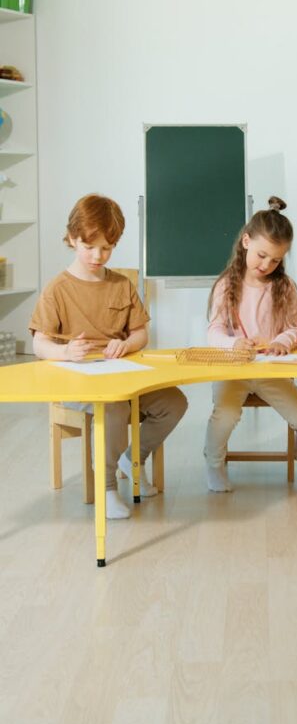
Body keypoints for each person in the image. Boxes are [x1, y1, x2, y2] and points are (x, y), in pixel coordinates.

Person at [30, 193, 188, 520]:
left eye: (107, 248)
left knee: (174, 402)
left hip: (122, 373)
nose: (98, 256)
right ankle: (106, 488)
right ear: (73, 239)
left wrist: (127, 344)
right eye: (90, 247)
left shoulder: (121, 285)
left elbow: (141, 333)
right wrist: (66, 352)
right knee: (114, 404)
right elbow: (39, 344)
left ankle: (133, 460)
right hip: (77, 381)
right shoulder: (57, 288)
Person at [204, 196, 297, 492]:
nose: (267, 265)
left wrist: (280, 342)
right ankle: (213, 465)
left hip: (270, 370)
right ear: (246, 241)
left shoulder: (285, 287)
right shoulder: (228, 284)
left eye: (276, 259)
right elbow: (213, 330)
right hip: (233, 369)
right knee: (225, 415)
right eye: (262, 255)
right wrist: (233, 343)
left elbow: (294, 329)